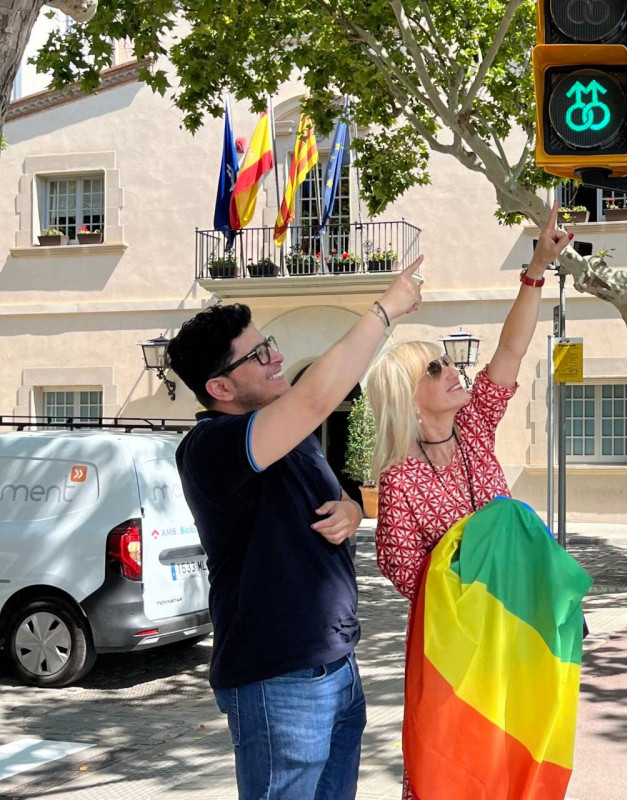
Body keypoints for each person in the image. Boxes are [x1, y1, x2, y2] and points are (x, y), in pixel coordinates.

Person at [166, 258, 423, 800]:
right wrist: (386, 309)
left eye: (270, 342)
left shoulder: (291, 431)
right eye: (258, 354)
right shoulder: (212, 448)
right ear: (220, 386)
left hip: (337, 667)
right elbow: (317, 395)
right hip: (278, 681)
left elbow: (336, 497)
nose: (275, 355)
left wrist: (353, 512)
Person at [365, 205, 571, 800]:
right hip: (455, 654)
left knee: (515, 760)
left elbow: (509, 352)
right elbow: (408, 577)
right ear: (410, 394)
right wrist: (481, 551)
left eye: (449, 361)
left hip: (515, 630)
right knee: (454, 772)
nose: (453, 371)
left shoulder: (476, 427)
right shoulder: (399, 479)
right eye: (435, 368)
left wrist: (535, 267)